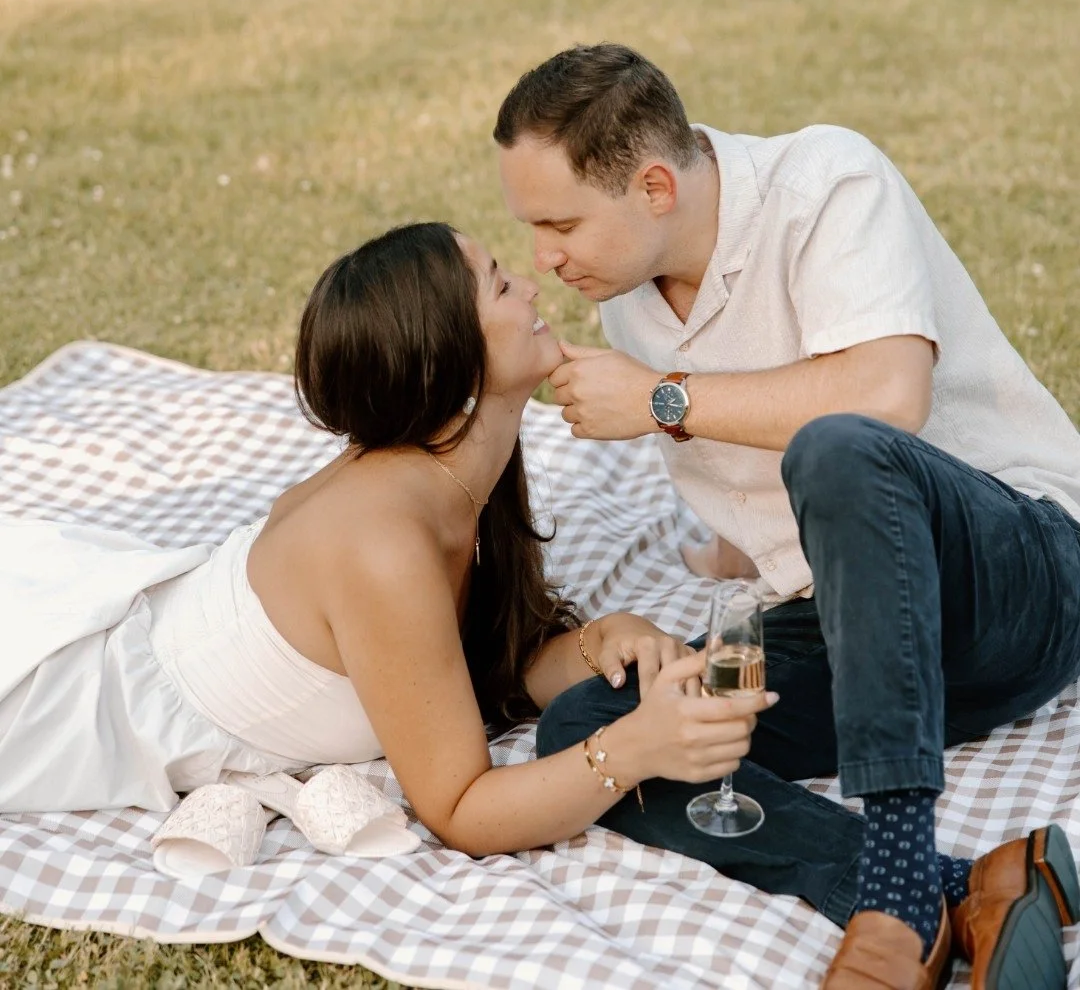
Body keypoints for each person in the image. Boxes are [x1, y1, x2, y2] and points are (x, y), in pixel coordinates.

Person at [495, 44, 1080, 990]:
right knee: (592, 731)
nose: (543, 257)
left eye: (561, 223)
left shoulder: (825, 182)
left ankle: (893, 896)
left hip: (1021, 579)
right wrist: (723, 558)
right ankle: (960, 887)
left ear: (653, 188)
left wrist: (661, 401)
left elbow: (886, 397)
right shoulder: (629, 310)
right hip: (861, 632)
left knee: (839, 444)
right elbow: (760, 486)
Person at [2, 221, 825, 888]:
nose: (533, 288)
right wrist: (635, 748)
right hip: (62, 708)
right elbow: (461, 809)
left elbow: (457, 670)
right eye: (501, 285)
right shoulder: (383, 542)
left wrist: (594, 644)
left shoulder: (455, 467)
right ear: (448, 360)